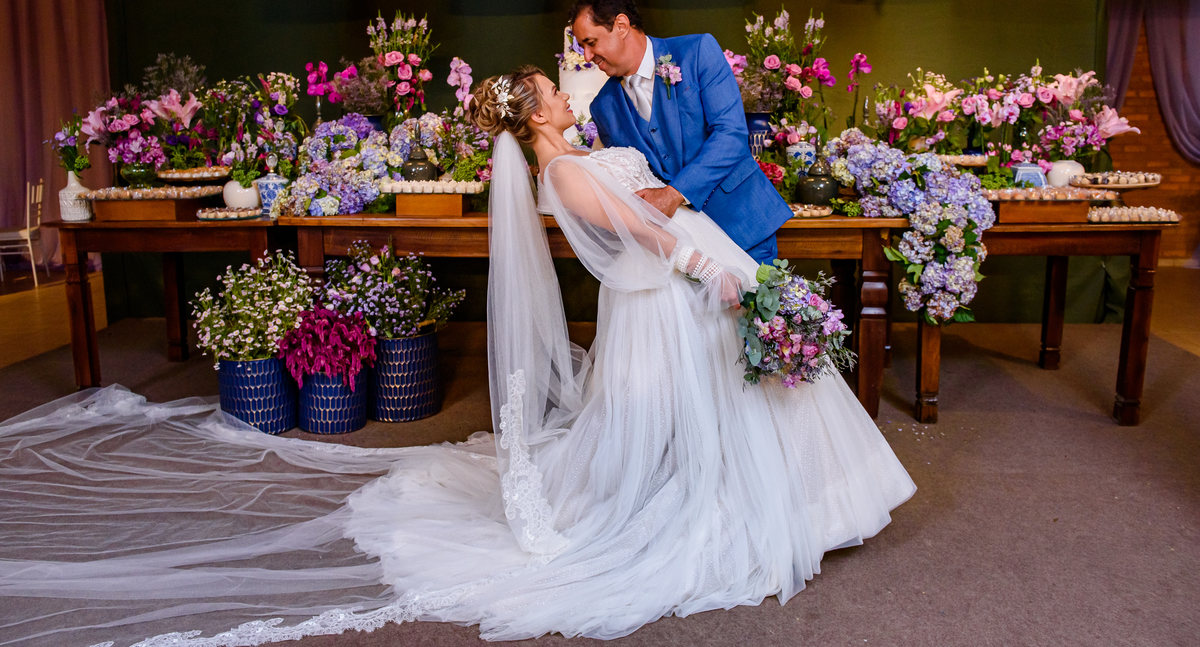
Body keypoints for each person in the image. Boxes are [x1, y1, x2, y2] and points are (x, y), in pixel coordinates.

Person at [0, 69, 914, 647]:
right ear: (537, 113)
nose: (568, 87)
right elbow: (636, 229)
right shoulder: (563, 172)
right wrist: (706, 268)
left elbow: (643, 194)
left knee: (725, 404)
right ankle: (712, 507)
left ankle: (792, 498)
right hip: (668, 292)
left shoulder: (587, 148)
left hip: (684, 280)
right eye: (554, 87)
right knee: (688, 416)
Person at [570, 0, 794, 264]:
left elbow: (731, 134)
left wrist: (674, 194)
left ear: (622, 25)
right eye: (582, 47)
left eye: (591, 43)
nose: (587, 57)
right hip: (684, 248)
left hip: (744, 224)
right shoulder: (603, 106)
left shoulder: (697, 51)